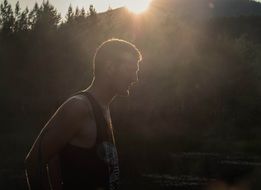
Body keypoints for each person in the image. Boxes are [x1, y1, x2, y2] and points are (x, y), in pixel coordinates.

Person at [25, 38, 142, 190]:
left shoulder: (102, 107)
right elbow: (34, 162)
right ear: (110, 68)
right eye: (131, 70)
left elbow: (55, 159)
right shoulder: (79, 107)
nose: (135, 78)